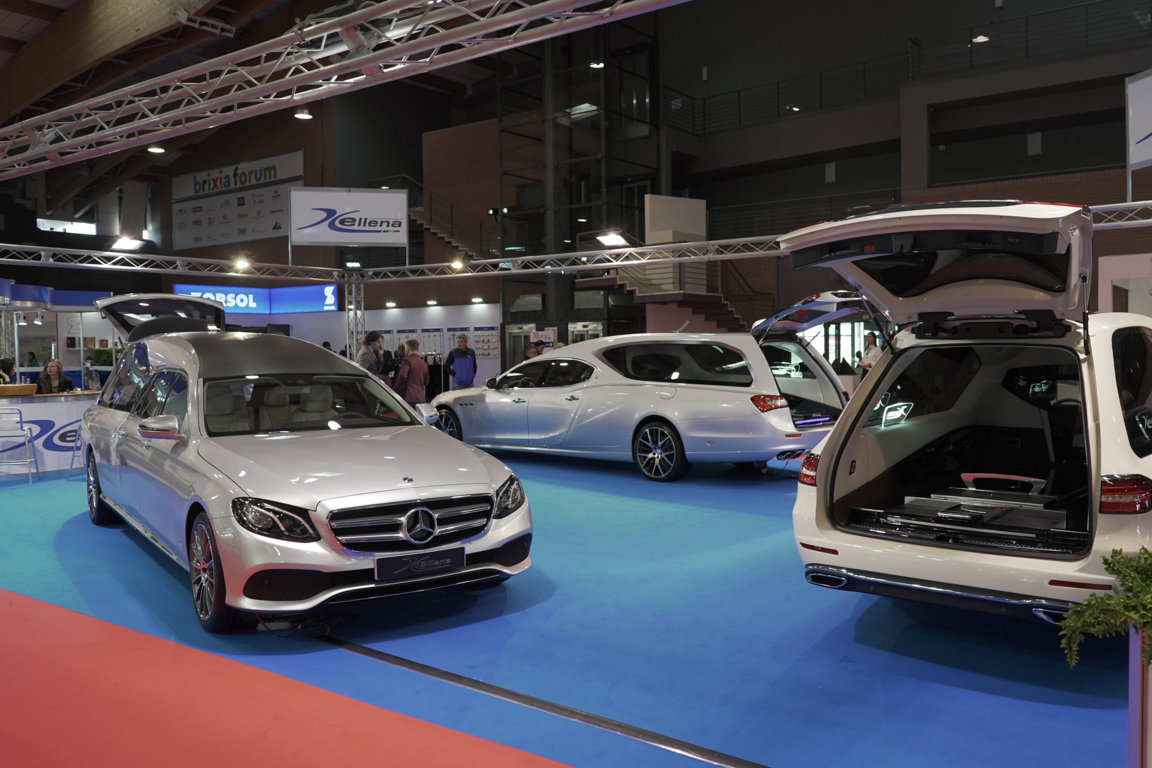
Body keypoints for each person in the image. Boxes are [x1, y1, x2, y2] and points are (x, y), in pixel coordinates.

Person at [391, 338, 430, 406]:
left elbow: (402, 377)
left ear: (407, 348)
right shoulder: (424, 364)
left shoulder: (406, 361)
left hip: (408, 397)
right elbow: (426, 381)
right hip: (421, 398)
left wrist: (395, 391)